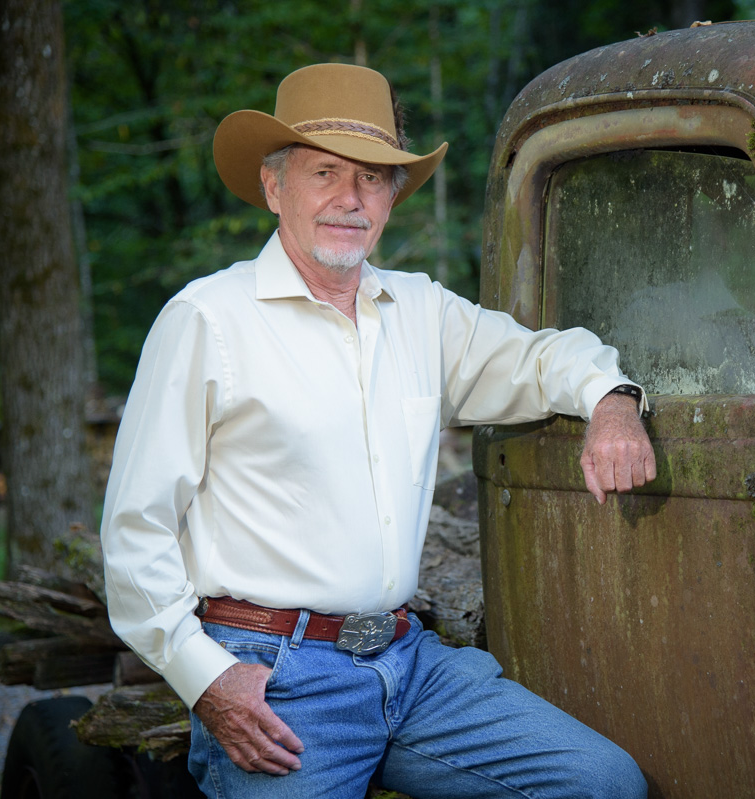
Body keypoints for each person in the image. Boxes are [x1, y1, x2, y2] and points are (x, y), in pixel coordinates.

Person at [100, 63, 655, 799]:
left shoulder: (419, 310)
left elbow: (544, 355)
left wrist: (614, 399)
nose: (350, 198)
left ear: (392, 197)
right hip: (277, 678)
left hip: (410, 663)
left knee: (602, 783)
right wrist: (208, 680)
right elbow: (135, 528)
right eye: (324, 172)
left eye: (372, 177)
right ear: (275, 187)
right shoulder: (208, 319)